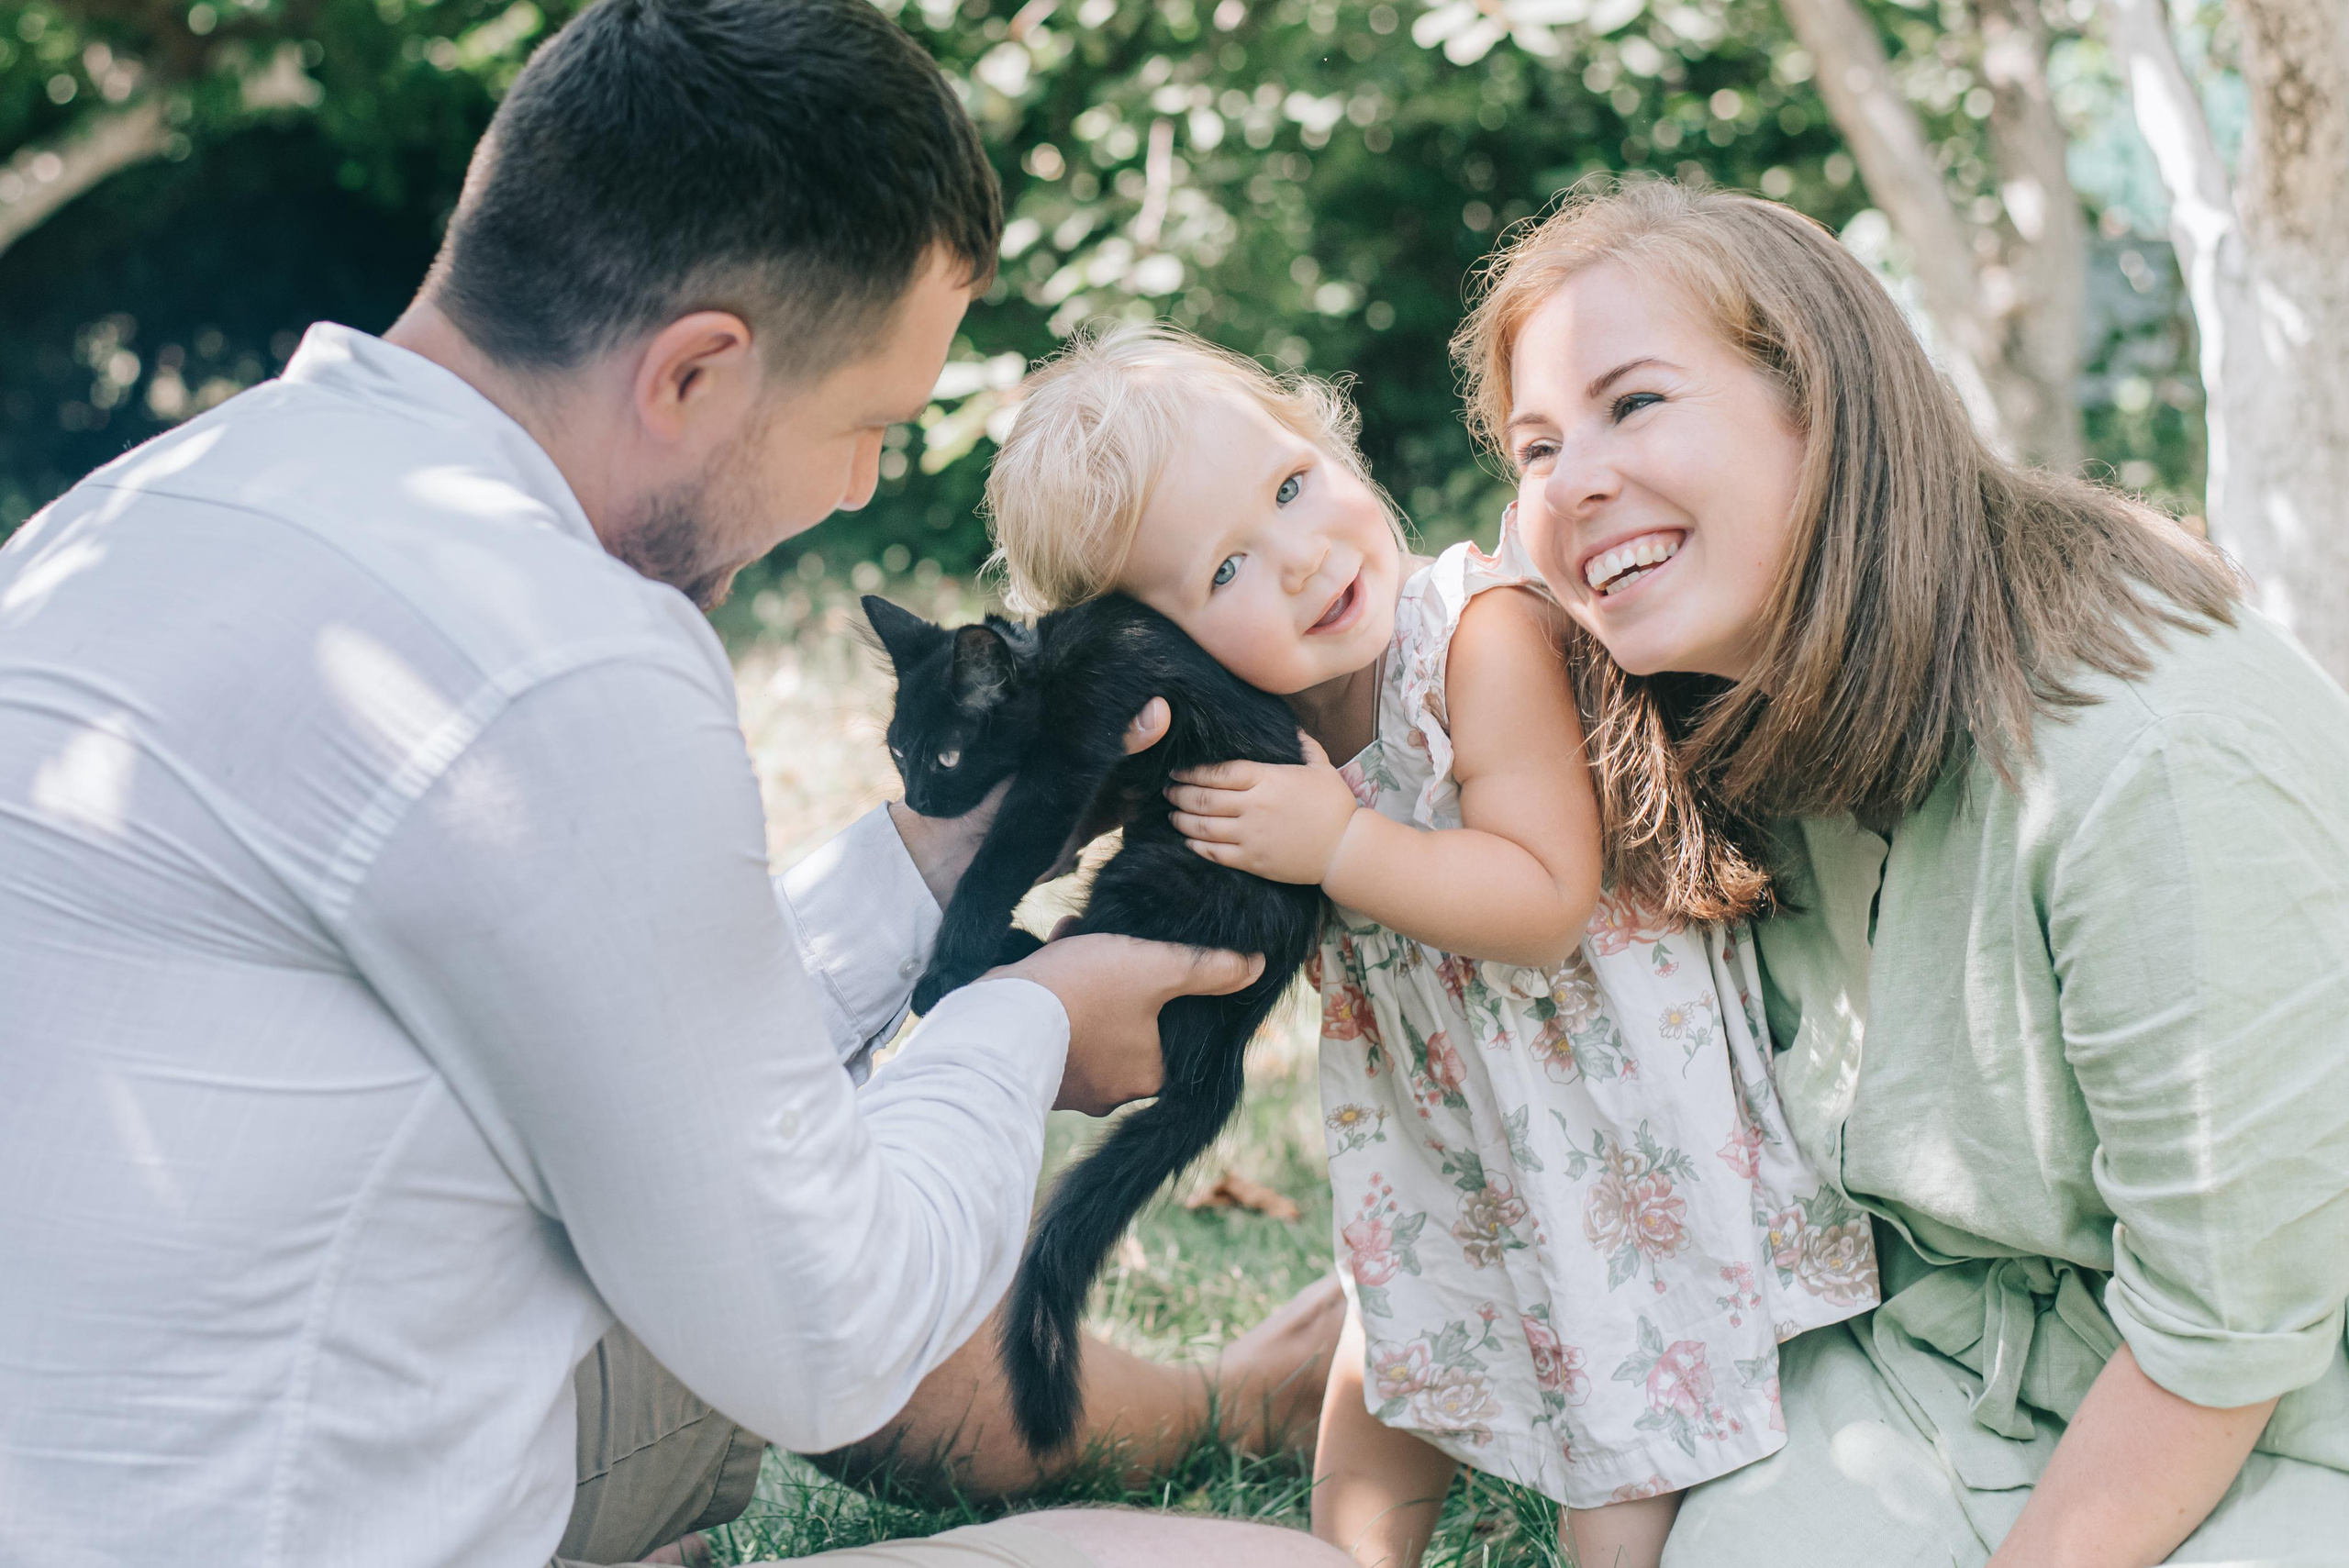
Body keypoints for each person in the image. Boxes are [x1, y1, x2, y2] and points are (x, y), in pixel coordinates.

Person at [0, 5, 1345, 1566]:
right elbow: (826, 1324)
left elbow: (658, 1022)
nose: (856, 486)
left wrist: (934, 857)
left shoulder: (142, 510)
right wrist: (1026, 1018)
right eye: (867, 427)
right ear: (697, 372)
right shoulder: (561, 652)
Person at [1456, 176, 2349, 1565]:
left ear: (1825, 400)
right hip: (1951, 1375)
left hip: (2280, 1396)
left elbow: (2232, 1322)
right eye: (1534, 447)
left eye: (1635, 404)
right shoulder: (1723, 722)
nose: (1572, 484)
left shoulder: (2150, 757)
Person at [981, 322, 1878, 1568]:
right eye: (1228, 565)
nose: (1300, 558)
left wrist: (1336, 842)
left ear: (1330, 438)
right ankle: (1352, 1556)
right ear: (1160, 644)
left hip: (1614, 1133)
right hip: (1449, 1137)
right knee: (1401, 1344)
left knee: (1627, 1407)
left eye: (1294, 487)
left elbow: (1544, 895)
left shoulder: (1474, 636)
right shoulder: (1262, 727)